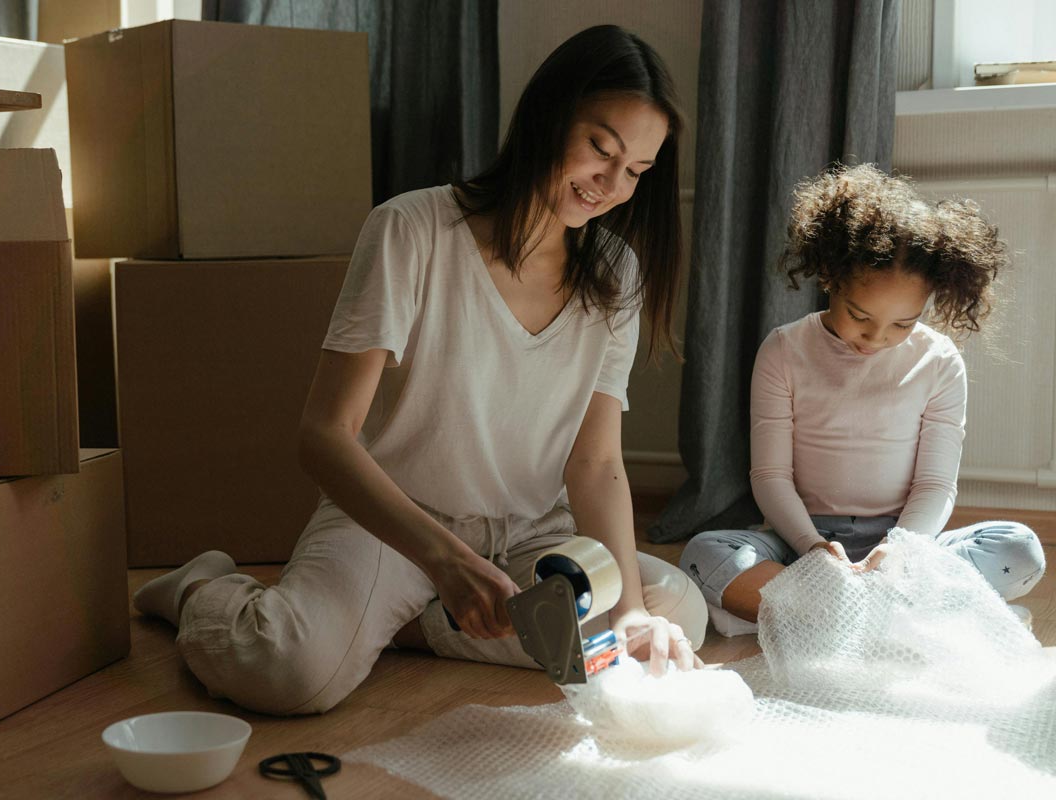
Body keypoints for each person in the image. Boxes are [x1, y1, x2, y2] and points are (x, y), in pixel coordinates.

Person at [133, 24, 708, 715]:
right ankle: (204, 588)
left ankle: (413, 624)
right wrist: (444, 560)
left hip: (531, 538)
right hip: (393, 527)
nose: (611, 186)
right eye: (600, 149)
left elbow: (597, 467)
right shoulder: (411, 229)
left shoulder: (616, 273)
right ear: (548, 115)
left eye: (637, 172)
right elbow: (324, 435)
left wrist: (631, 616)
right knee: (288, 671)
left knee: (671, 610)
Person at [680, 163, 1046, 637]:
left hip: (904, 545)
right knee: (705, 553)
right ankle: (904, 618)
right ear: (831, 278)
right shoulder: (784, 350)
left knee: (1019, 550)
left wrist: (898, 549)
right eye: (859, 316)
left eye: (903, 324)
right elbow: (770, 476)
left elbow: (936, 484)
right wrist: (812, 548)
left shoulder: (939, 360)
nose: (875, 338)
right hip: (802, 543)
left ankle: (824, 617)